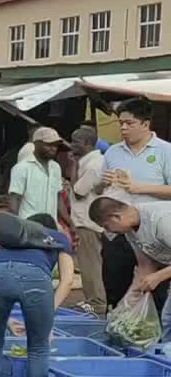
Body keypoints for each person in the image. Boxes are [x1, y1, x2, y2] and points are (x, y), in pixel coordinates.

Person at [0, 214, 75, 377]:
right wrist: (47, 315)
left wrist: (6, 320)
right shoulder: (57, 237)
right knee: (38, 347)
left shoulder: (11, 238)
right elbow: (67, 281)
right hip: (35, 276)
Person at [100, 97, 171, 310]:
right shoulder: (112, 152)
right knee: (114, 282)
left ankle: (157, 335)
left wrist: (139, 188)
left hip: (154, 231)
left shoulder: (165, 151)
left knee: (155, 285)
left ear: (146, 124)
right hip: (118, 230)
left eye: (129, 123)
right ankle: (118, 324)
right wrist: (103, 184)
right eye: (120, 122)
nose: (123, 127)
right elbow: (101, 190)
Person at [90, 196, 171, 339]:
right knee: (167, 319)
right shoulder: (130, 231)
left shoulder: (161, 220)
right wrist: (129, 301)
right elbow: (145, 266)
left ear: (116, 217)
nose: (109, 231)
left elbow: (155, 275)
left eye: (106, 226)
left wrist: (158, 277)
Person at [70, 126, 107, 310]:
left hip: (87, 221)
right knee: (95, 262)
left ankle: (96, 302)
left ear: (86, 143)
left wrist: (72, 166)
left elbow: (78, 192)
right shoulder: (96, 161)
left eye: (75, 141)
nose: (71, 145)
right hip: (92, 220)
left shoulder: (92, 165)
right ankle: (96, 300)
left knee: (90, 264)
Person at [9, 127, 70, 226]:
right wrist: (16, 226)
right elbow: (15, 200)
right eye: (49, 145)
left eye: (55, 145)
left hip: (51, 225)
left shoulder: (55, 167)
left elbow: (58, 199)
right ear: (36, 144)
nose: (53, 148)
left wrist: (70, 223)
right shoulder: (21, 168)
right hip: (29, 225)